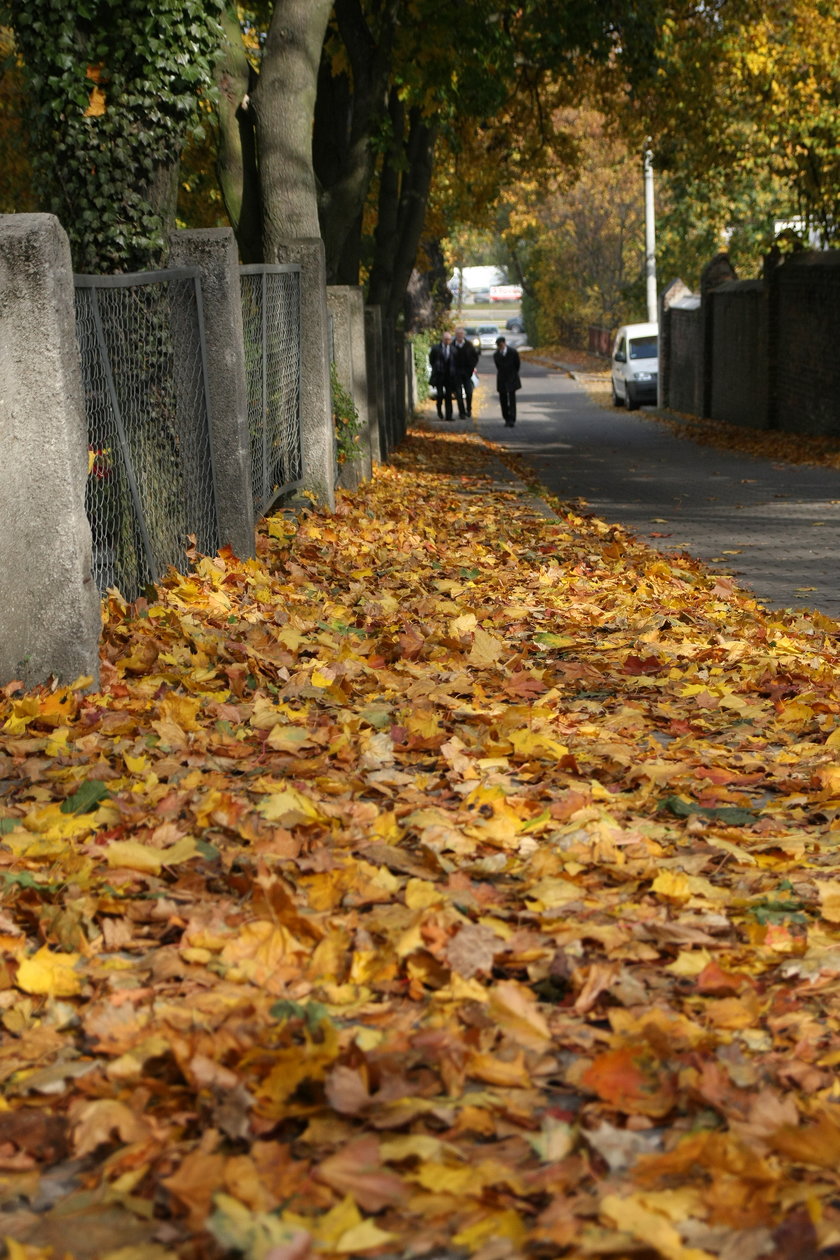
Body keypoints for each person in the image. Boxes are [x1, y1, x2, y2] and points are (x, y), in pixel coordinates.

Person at [493, 336, 521, 426]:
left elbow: (517, 364)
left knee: (512, 398)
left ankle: (512, 418)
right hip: (502, 378)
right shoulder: (496, 355)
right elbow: (498, 366)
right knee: (503, 399)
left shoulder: (512, 352)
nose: (500, 347)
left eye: (501, 345)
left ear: (504, 343)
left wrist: (513, 373)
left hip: (511, 377)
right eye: (499, 346)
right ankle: (506, 417)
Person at [428, 330, 457, 420]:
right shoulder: (436, 348)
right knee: (440, 395)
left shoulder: (453, 349)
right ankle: (439, 411)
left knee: (448, 396)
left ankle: (449, 416)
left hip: (449, 376)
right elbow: (431, 360)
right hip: (439, 375)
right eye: (445, 339)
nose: (447, 341)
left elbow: (455, 361)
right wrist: (436, 368)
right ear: (442, 339)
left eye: (449, 339)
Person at [452, 326, 479, 418]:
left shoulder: (469, 345)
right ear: (455, 335)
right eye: (458, 334)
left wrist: (471, 368)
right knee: (458, 393)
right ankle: (461, 412)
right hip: (456, 373)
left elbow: (475, 357)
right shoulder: (452, 346)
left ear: (464, 335)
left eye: (461, 334)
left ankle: (469, 409)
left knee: (469, 392)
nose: (459, 336)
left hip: (467, 373)